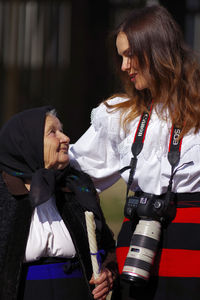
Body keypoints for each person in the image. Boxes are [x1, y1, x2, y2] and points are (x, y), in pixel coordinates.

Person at [69, 4, 200, 300]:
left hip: (191, 261)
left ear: (157, 51)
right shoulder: (121, 116)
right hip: (136, 264)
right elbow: (73, 172)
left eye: (130, 55)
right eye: (121, 57)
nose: (125, 66)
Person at [0, 106, 118, 300]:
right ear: (27, 142)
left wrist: (108, 273)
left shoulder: (76, 187)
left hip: (77, 291)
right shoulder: (5, 194)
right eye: (52, 132)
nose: (65, 138)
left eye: (61, 130)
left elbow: (107, 248)